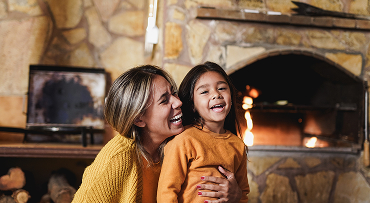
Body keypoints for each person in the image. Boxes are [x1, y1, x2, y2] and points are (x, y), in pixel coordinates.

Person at [71, 65, 242, 203]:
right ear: (139, 119)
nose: (178, 101)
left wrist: (236, 195)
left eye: (173, 93)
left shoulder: (177, 145)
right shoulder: (118, 158)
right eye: (164, 100)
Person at [157, 61, 250, 203]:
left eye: (222, 88)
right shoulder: (185, 140)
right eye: (204, 91)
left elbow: (242, 195)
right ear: (192, 105)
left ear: (231, 98)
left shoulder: (237, 145)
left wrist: (236, 196)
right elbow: (166, 192)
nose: (216, 94)